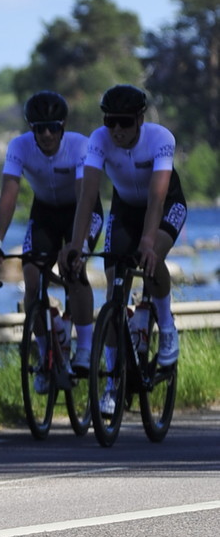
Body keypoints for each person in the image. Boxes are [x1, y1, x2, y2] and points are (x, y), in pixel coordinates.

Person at [64, 84, 187, 380]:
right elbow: (87, 196)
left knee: (152, 256)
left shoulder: (161, 138)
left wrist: (147, 241)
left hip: (165, 204)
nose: (117, 129)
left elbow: (157, 197)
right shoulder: (99, 139)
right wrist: (77, 244)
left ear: (140, 119)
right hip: (125, 209)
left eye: (125, 122)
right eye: (110, 121)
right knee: (113, 291)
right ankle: (113, 380)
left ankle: (166, 326)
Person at [0, 91, 99, 379]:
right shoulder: (19, 146)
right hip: (45, 211)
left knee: (75, 270)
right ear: (31, 128)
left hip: (81, 209)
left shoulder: (79, 145)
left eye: (53, 128)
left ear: (63, 127)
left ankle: (85, 349)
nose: (47, 134)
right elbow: (8, 195)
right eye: (39, 128)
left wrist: (77, 245)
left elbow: (83, 197)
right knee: (31, 276)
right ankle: (47, 352)